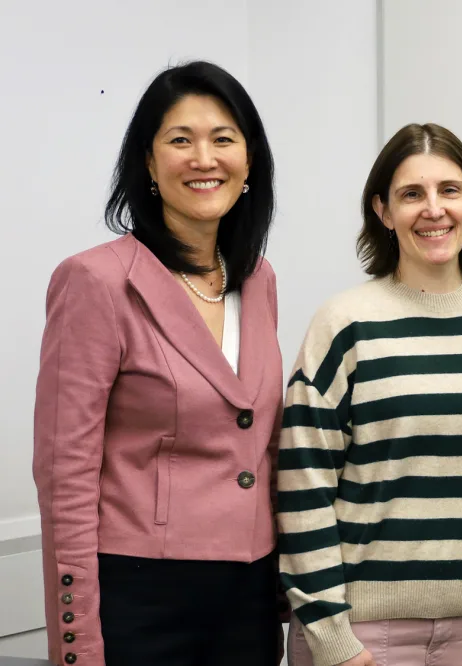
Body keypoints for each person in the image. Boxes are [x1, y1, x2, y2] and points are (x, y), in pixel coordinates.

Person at [277, 122, 462, 666]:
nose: (434, 209)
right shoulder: (344, 324)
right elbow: (302, 486)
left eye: (449, 190)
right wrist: (333, 638)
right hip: (360, 632)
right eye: (412, 194)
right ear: (383, 211)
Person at [32, 61, 284, 666]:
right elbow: (65, 476)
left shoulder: (257, 278)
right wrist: (77, 640)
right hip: (140, 601)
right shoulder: (95, 281)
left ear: (249, 161)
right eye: (180, 140)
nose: (204, 158)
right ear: (147, 162)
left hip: (249, 599)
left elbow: (261, 442)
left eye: (223, 139)